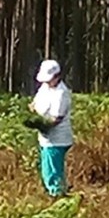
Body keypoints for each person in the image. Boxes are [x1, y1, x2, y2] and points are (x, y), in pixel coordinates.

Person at [29, 59, 73, 197]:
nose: (47, 83)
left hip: (57, 139)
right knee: (47, 168)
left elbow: (56, 118)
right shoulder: (44, 87)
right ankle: (56, 193)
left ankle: (57, 195)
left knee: (52, 171)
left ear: (57, 76)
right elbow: (35, 102)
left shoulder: (61, 93)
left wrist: (42, 125)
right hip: (45, 138)